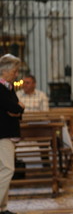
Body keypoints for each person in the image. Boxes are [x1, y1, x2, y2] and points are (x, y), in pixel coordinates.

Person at [0, 54, 25, 214]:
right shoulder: (1, 88)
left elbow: (17, 108)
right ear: (6, 71)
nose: (16, 75)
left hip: (7, 132)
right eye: (15, 71)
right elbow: (14, 107)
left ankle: (3, 207)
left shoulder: (8, 87)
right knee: (8, 169)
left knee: (3, 169)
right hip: (2, 133)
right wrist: (17, 108)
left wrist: (17, 109)